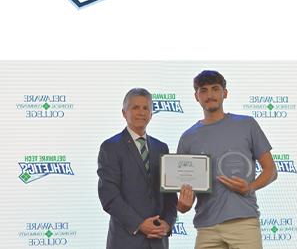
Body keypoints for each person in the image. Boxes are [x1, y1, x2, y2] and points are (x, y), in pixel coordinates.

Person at [176, 70, 277, 249]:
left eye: (215, 89)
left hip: (243, 223)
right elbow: (185, 193)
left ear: (225, 93)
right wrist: (183, 205)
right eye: (203, 90)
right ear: (196, 96)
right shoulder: (187, 137)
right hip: (206, 227)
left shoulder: (247, 124)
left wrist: (250, 187)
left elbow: (271, 171)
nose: (210, 95)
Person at [97, 88, 177, 249]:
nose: (141, 112)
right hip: (125, 241)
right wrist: (139, 224)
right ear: (124, 113)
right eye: (135, 107)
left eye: (145, 108)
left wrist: (168, 223)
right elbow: (109, 196)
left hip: (158, 241)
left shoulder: (161, 147)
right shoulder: (111, 147)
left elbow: (170, 194)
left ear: (151, 114)